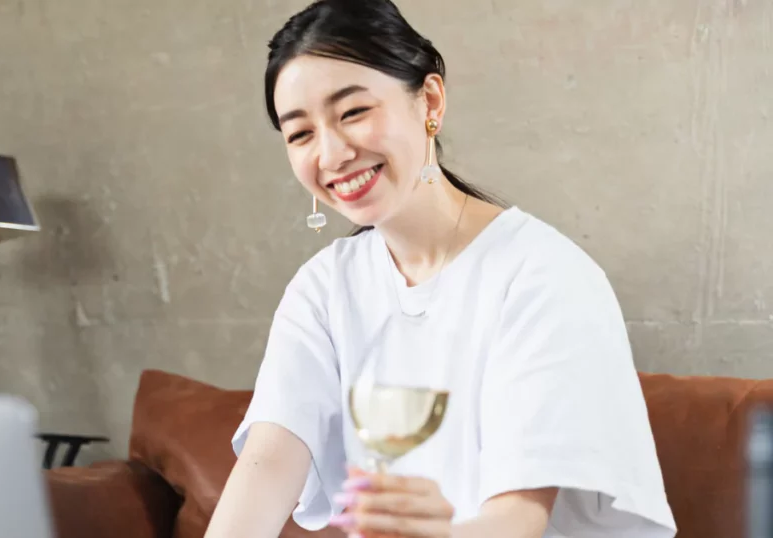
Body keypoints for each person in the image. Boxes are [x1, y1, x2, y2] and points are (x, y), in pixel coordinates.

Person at [204, 0, 677, 537]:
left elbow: (518, 518)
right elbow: (268, 464)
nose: (331, 154)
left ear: (429, 100)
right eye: (300, 134)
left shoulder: (542, 275)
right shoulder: (325, 288)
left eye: (353, 112)